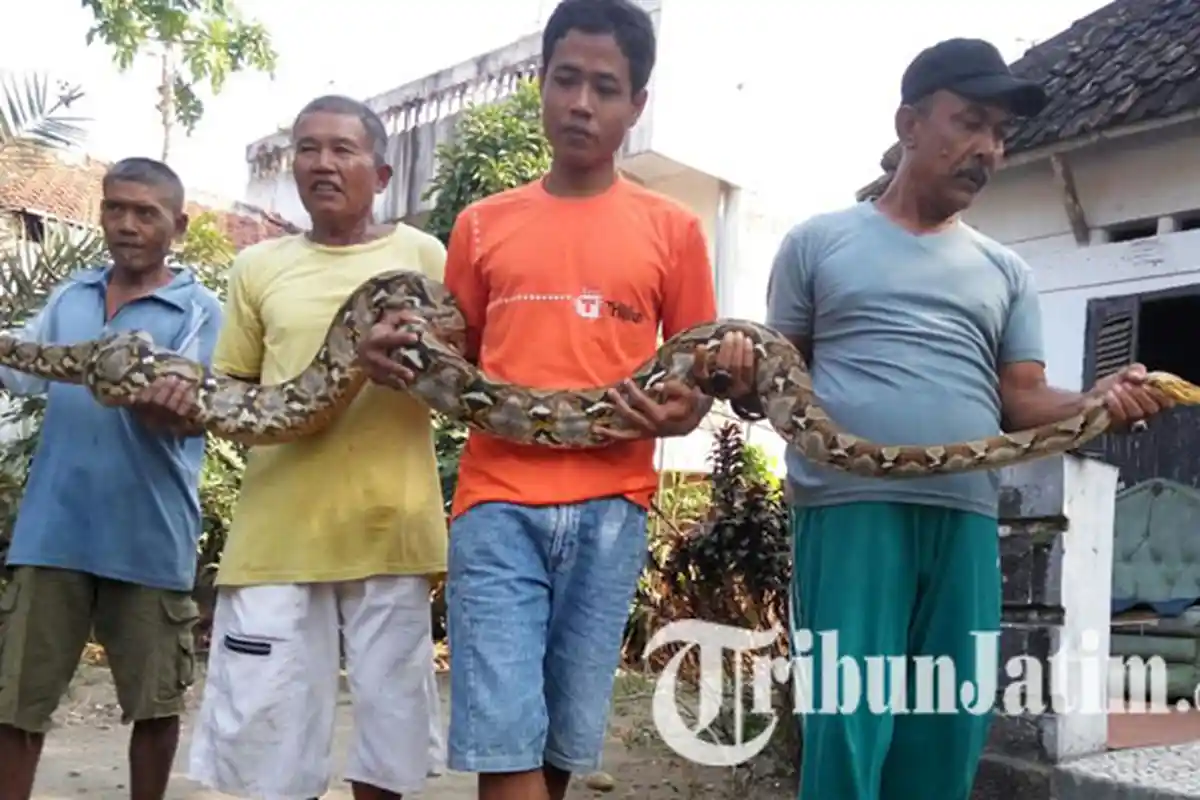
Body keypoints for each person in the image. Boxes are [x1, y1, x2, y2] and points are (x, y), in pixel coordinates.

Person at [712, 38, 1176, 800]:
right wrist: (734, 374)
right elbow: (775, 380)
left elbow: (1022, 398)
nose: (987, 149)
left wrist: (1097, 400)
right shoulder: (818, 243)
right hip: (848, 508)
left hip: (964, 513)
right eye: (969, 123)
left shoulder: (1006, 270)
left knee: (948, 726)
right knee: (849, 727)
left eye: (1000, 135)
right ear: (909, 124)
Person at [358, 1, 719, 798]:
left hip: (612, 506)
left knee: (560, 745)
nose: (582, 103)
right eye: (566, 80)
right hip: (497, 505)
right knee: (504, 742)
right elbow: (451, 361)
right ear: (542, 84)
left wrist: (685, 412)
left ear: (637, 106)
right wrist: (387, 354)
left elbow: (695, 379)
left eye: (606, 87)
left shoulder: (674, 230)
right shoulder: (483, 225)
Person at [183, 95, 448, 800]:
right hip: (277, 538)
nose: (322, 163)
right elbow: (232, 396)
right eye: (307, 148)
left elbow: (458, 381)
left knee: (388, 752)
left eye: (341, 149)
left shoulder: (423, 256)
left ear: (383, 173)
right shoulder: (258, 267)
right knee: (268, 753)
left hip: (390, 529)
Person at [0, 157, 223, 800]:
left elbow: (198, 420)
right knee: (17, 704)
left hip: (150, 537)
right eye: (115, 208)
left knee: (153, 709)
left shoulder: (201, 314)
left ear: (176, 225)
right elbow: (20, 369)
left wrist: (148, 397)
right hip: (53, 532)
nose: (127, 224)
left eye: (145, 213)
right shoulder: (71, 297)